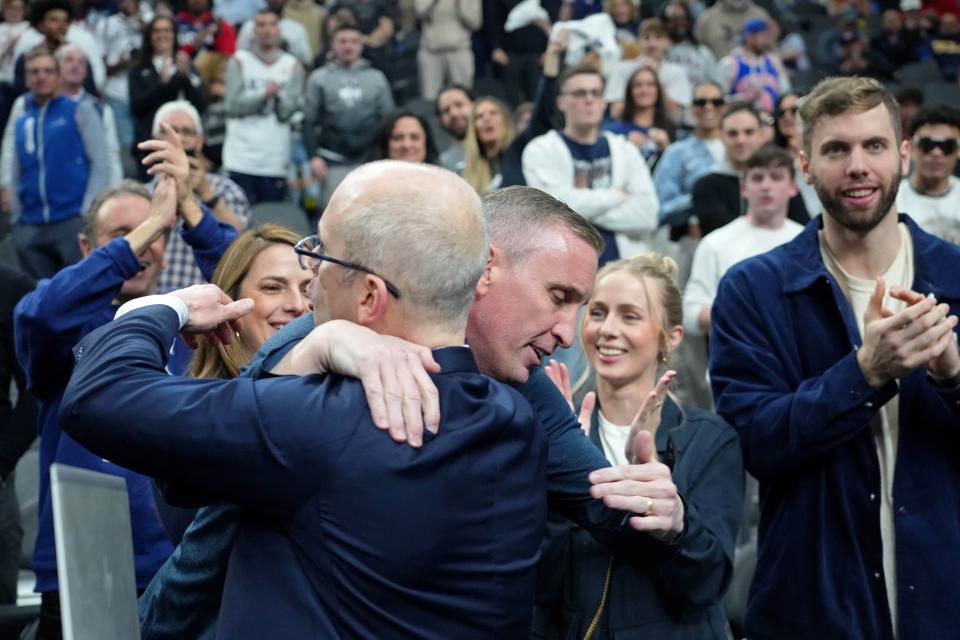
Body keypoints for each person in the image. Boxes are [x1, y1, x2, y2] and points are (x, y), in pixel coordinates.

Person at [137, 185, 682, 639]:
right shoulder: (309, 341)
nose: (569, 333)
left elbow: (608, 505)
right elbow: (206, 513)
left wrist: (664, 513)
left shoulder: (528, 387)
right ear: (485, 267)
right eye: (559, 296)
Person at [62, 162, 549, 638]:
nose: (310, 275)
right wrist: (302, 353)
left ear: (369, 297)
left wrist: (167, 307)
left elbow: (99, 396)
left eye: (323, 256)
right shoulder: (517, 422)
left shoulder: (321, 419)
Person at [709, 75, 960, 640]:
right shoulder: (754, 290)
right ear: (805, 165)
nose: (857, 166)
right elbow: (756, 444)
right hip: (813, 604)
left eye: (873, 146)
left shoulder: (956, 276)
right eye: (835, 149)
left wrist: (954, 378)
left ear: (901, 154)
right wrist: (864, 373)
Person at [13, 125, 238, 640]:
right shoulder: (64, 324)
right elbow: (38, 316)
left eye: (158, 236)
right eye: (123, 235)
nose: (144, 248)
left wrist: (190, 211)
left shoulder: (196, 325)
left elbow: (247, 279)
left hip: (183, 567)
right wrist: (154, 219)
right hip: (82, 570)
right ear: (87, 246)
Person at [535, 252, 743, 639]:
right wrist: (557, 461)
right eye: (597, 313)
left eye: (630, 316)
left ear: (671, 337)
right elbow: (540, 582)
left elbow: (708, 584)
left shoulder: (710, 438)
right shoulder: (552, 426)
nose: (607, 329)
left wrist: (676, 526)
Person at [523, 65, 659, 265]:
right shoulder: (541, 150)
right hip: (563, 267)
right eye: (579, 93)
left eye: (595, 93)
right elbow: (553, 212)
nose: (589, 99)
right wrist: (617, 196)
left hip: (624, 269)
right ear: (561, 102)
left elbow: (647, 215)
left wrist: (581, 212)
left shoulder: (626, 151)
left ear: (604, 102)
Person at [8, 48, 108, 279]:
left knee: (78, 293)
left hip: (71, 220)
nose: (41, 76)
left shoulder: (80, 110)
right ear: (26, 79)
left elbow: (100, 163)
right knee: (40, 301)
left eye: (47, 71)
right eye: (34, 72)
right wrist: (17, 218)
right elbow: (15, 170)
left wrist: (86, 212)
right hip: (30, 225)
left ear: (58, 76)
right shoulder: (23, 120)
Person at [683, 144, 803, 337]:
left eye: (776, 177)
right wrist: (742, 318)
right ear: (744, 188)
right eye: (757, 178)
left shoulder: (807, 241)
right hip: (734, 358)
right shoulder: (716, 243)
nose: (766, 186)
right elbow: (690, 314)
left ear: (792, 187)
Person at [152, 100, 250, 293]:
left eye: (187, 132)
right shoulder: (139, 194)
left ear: (200, 140)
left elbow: (243, 248)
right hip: (152, 301)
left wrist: (208, 194)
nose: (179, 138)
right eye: (170, 130)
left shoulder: (228, 190)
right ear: (155, 138)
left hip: (209, 299)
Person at [304, 23, 394, 209]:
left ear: (361, 45)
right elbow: (308, 120)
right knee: (334, 213)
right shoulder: (318, 78)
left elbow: (389, 121)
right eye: (342, 41)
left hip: (369, 160)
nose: (348, 46)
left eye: (354, 41)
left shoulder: (377, 78)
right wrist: (313, 156)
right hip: (331, 159)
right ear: (332, 45)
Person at [223, 8, 304, 205]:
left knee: (270, 221)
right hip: (240, 156)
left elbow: (287, 113)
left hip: (274, 159)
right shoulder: (239, 61)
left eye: (272, 24)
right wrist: (264, 95)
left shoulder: (292, 65)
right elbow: (232, 106)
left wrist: (276, 99)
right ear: (253, 31)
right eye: (261, 25)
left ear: (280, 30)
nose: (267, 30)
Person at [691, 101, 809, 237]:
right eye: (732, 133)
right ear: (721, 136)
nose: (741, 140)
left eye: (749, 132)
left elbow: (802, 228)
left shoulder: (781, 179)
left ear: (761, 135)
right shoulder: (705, 186)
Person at [128, 15, 206, 164]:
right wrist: (161, 84)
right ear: (149, 36)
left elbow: (201, 104)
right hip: (151, 145)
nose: (162, 35)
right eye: (156, 31)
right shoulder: (138, 68)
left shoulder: (186, 65)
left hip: (187, 147)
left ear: (174, 34)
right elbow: (137, 106)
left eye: (167, 30)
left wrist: (186, 76)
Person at [653, 80, 724, 230]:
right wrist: (701, 196)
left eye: (716, 102)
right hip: (693, 237)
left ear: (725, 107)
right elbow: (662, 207)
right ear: (692, 108)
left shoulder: (740, 147)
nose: (708, 107)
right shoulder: (676, 152)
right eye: (701, 102)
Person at [55, 44, 124, 186]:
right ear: (55, 67)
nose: (75, 65)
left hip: (89, 188)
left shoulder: (101, 109)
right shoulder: (38, 104)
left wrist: (115, 190)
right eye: (69, 60)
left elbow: (111, 154)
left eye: (81, 62)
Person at [895, 104, 960, 243]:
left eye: (947, 146)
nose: (936, 153)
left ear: (958, 150)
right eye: (927, 144)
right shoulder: (892, 199)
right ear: (911, 148)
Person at [604, 64, 676, 170]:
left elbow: (676, 171)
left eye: (650, 85)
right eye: (638, 85)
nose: (644, 90)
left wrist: (666, 147)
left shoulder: (669, 128)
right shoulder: (614, 131)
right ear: (630, 92)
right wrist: (624, 145)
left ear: (658, 91)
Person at [716, 18, 791, 114]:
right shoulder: (730, 63)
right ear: (749, 36)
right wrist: (743, 98)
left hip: (771, 119)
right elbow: (717, 100)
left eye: (768, 35)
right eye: (763, 35)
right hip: (742, 120)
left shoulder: (773, 61)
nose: (767, 40)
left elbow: (785, 93)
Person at [414, 0, 481, 101]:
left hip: (459, 49)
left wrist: (460, 4)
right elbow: (419, 13)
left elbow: (476, 23)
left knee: (464, 95)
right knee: (430, 98)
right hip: (431, 51)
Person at [235, 0, 312, 66]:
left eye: (272, 24)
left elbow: (306, 61)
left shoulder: (297, 29)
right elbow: (239, 56)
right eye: (261, 25)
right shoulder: (249, 26)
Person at [463, 95, 514, 194]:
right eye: (479, 116)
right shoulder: (468, 172)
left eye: (493, 113)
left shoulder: (518, 157)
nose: (487, 118)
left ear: (505, 120)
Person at [692, 0, 771, 60]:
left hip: (756, 78)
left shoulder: (761, 16)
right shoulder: (706, 20)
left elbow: (771, 52)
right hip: (717, 77)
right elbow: (699, 56)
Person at [368, 110, 439, 164]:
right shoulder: (365, 181)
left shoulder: (443, 180)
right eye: (397, 138)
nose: (406, 145)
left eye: (414, 137)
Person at [436, 83, 473, 173]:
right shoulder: (443, 163)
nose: (453, 113)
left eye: (459, 105)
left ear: (474, 104)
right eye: (446, 110)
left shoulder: (501, 146)